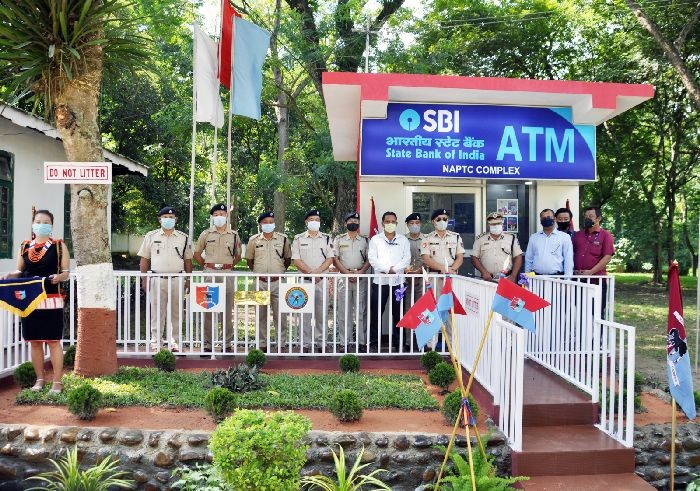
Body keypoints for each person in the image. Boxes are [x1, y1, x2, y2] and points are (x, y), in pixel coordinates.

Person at [0, 210, 70, 393]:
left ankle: (57, 381)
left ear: (51, 226)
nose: (41, 224)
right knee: (35, 341)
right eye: (38, 221)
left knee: (54, 341)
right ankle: (39, 380)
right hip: (29, 300)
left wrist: (59, 277)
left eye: (46, 222)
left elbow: (66, 273)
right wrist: (9, 275)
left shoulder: (59, 246)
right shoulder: (25, 246)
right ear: (33, 224)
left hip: (51, 298)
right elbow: (19, 271)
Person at [138, 206, 193, 353]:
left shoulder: (183, 237)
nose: (168, 220)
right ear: (159, 219)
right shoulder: (151, 236)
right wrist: (144, 279)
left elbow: (188, 260)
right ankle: (156, 341)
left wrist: (188, 279)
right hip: (157, 278)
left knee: (177, 312)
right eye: (165, 218)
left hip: (177, 279)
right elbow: (144, 259)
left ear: (176, 220)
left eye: (171, 218)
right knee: (157, 311)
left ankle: (176, 341)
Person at [193, 203, 241, 352]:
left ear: (226, 215)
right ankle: (207, 344)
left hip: (227, 274)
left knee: (227, 310)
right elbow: (196, 254)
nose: (219, 217)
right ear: (212, 217)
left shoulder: (234, 235)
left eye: (221, 214)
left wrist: (227, 266)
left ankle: (226, 344)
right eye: (216, 215)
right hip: (210, 274)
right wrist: (208, 267)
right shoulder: (205, 234)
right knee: (208, 309)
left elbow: (238, 256)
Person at [246, 211, 291, 351]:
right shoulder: (254, 240)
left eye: (271, 222)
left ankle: (281, 343)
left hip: (278, 282)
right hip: (260, 282)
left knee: (281, 314)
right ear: (260, 224)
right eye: (265, 222)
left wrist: (278, 271)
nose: (268, 225)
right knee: (260, 314)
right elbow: (249, 260)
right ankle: (262, 344)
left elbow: (288, 259)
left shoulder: (283, 239)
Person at [420, 208, 465, 348]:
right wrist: (442, 269)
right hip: (434, 277)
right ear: (433, 222)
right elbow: (426, 258)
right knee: (433, 310)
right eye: (439, 219)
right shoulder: (427, 238)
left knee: (450, 310)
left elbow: (460, 257)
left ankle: (451, 345)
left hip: (451, 277)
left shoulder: (455, 237)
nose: (442, 222)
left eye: (445, 219)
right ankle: (430, 345)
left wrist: (451, 270)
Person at [291, 210, 334, 350]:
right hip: (305, 280)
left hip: (322, 279)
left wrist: (318, 273)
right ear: (306, 222)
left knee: (322, 313)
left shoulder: (327, 238)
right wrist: (310, 272)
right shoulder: (298, 238)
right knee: (304, 314)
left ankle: (322, 342)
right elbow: (296, 260)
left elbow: (330, 259)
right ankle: (305, 343)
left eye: (317, 219)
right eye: (312, 219)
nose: (315, 221)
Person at [368, 211, 410, 352]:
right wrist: (388, 270)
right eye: (387, 221)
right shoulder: (375, 240)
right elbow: (373, 259)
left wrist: (395, 270)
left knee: (399, 313)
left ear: (397, 223)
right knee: (376, 312)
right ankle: (374, 343)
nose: (390, 224)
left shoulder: (403, 240)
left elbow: (407, 259)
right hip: (380, 282)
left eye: (393, 221)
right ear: (382, 223)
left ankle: (399, 343)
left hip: (399, 283)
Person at [333, 212, 370, 348]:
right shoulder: (339, 239)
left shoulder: (365, 240)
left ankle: (361, 342)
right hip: (344, 277)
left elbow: (369, 260)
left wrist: (360, 272)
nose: (353, 223)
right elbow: (335, 259)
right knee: (344, 312)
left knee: (361, 311)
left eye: (355, 220)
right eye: (350, 221)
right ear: (345, 224)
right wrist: (347, 273)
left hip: (360, 277)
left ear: (359, 223)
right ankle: (344, 342)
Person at [573, 206, 615, 317]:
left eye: (591, 216)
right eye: (586, 216)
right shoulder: (577, 235)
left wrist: (591, 272)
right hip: (578, 280)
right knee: (581, 312)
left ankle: (599, 334)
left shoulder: (606, 235)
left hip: (597, 281)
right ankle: (583, 334)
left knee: (597, 312)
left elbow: (607, 256)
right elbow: (571, 254)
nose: (587, 218)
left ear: (598, 218)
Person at [471, 212, 523, 283]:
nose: (496, 226)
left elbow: (518, 257)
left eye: (498, 223)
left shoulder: (511, 239)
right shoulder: (480, 239)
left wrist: (513, 276)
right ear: (488, 225)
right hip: (486, 279)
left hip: (506, 278)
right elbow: (474, 257)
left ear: (502, 224)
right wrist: (483, 272)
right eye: (493, 224)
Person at [525, 208, 573, 276]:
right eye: (543, 218)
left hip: (557, 279)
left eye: (549, 217)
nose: (546, 219)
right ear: (540, 220)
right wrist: (527, 278)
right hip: (536, 278)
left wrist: (567, 280)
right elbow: (528, 260)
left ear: (555, 219)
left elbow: (568, 260)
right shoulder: (534, 237)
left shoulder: (564, 237)